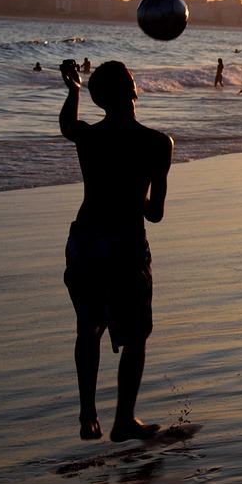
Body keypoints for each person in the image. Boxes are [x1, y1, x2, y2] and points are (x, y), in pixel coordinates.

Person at [59, 60, 173, 442]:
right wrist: (133, 193)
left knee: (88, 327)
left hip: (88, 240)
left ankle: (88, 414)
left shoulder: (90, 138)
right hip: (126, 245)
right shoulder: (158, 144)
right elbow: (155, 214)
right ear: (134, 89)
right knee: (136, 334)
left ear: (99, 99)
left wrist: (73, 88)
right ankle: (124, 419)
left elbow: (67, 127)